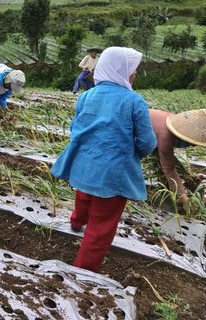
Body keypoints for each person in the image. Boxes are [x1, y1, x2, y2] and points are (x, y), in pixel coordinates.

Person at [50, 46, 157, 273]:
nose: (134, 74)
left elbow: (75, 127)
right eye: (132, 70)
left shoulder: (86, 96)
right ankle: (84, 271)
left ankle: (76, 222)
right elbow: (147, 142)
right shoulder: (134, 101)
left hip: (83, 164)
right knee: (101, 226)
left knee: (85, 193)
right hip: (112, 172)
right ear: (121, 70)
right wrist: (133, 153)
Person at [149, 108, 206, 212]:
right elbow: (169, 168)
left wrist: (187, 177)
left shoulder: (177, 122)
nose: (193, 145)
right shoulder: (166, 136)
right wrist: (183, 198)